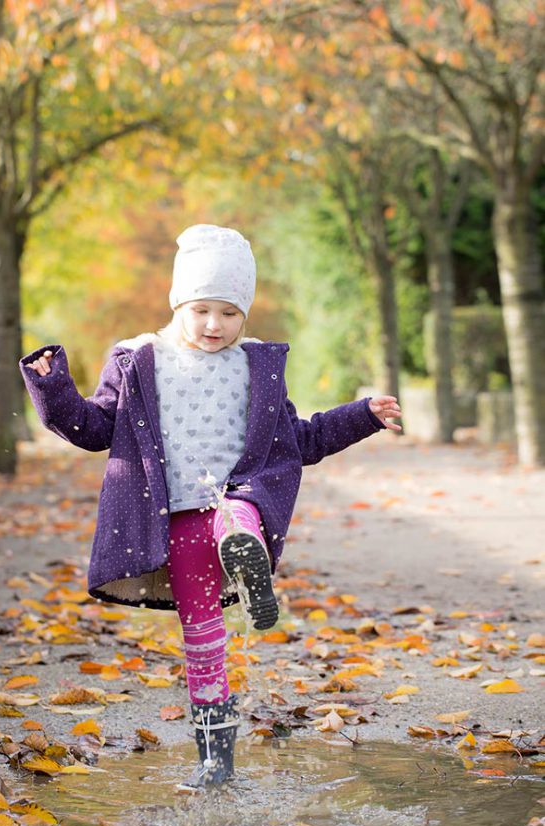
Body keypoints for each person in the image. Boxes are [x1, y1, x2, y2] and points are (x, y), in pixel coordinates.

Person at [20, 224, 401, 790]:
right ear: (179, 303)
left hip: (232, 500)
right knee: (202, 633)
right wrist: (54, 390)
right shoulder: (138, 360)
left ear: (245, 314)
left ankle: (243, 547)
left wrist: (362, 414)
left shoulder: (257, 367)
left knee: (237, 508)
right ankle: (215, 762)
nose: (214, 325)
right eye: (201, 310)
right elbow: (95, 428)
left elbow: (301, 440)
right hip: (172, 514)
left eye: (229, 313)